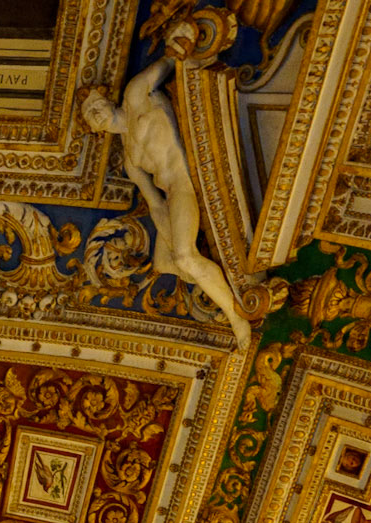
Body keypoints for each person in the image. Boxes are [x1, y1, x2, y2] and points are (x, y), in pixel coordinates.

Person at [81, 61, 251, 348]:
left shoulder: (136, 94)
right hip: (173, 195)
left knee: (184, 258)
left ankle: (237, 317)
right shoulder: (131, 161)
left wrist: (179, 44)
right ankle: (214, 278)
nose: (96, 113)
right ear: (96, 131)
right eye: (90, 116)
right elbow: (155, 205)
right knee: (164, 262)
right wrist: (171, 236)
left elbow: (174, 61)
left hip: (184, 180)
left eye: (96, 104)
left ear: (107, 99)